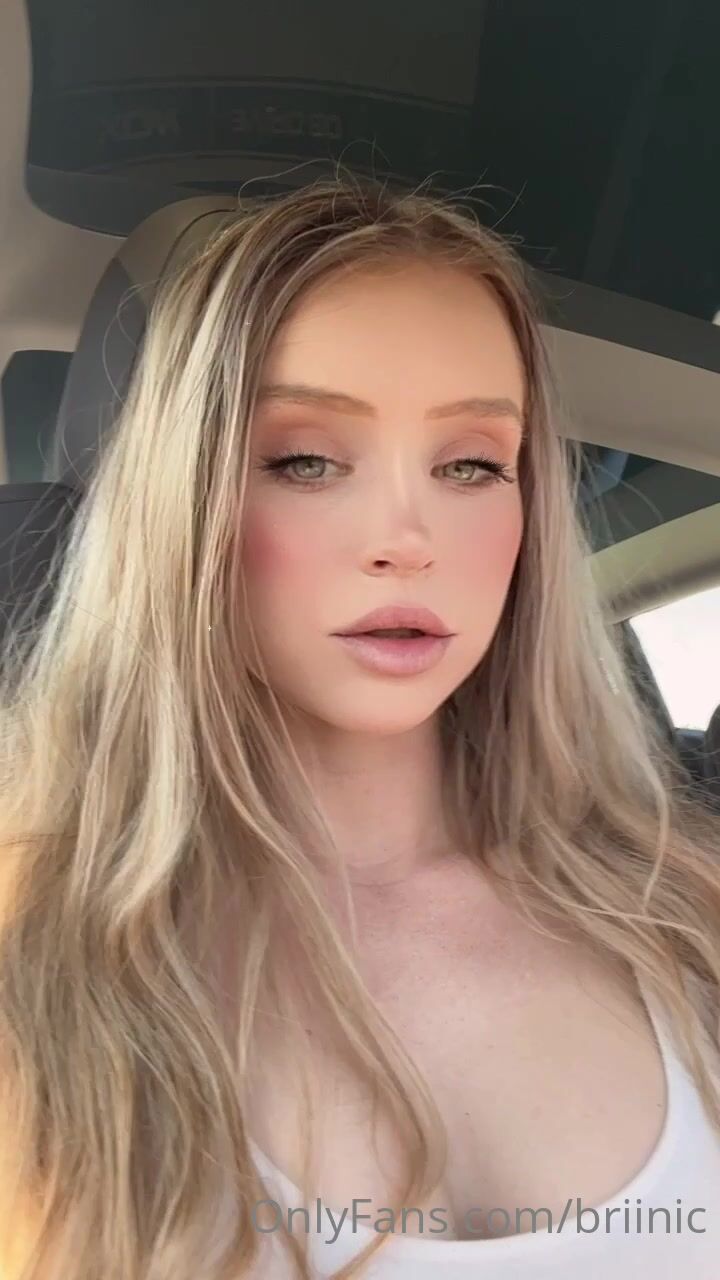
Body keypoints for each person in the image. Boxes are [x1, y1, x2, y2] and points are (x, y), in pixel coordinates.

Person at [0, 174, 718, 1280]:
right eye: (304, 459)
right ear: (181, 505)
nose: (407, 536)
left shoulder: (687, 918)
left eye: (471, 463)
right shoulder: (37, 966)